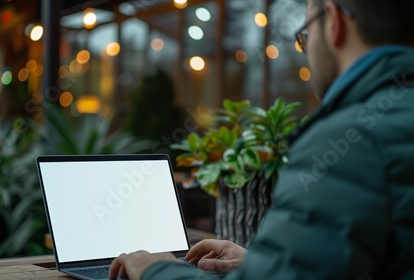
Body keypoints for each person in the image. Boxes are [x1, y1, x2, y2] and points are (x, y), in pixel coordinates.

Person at [109, 0, 414, 278]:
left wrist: (154, 270)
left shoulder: (350, 138)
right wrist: (264, 263)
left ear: (333, 21)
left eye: (305, 33)